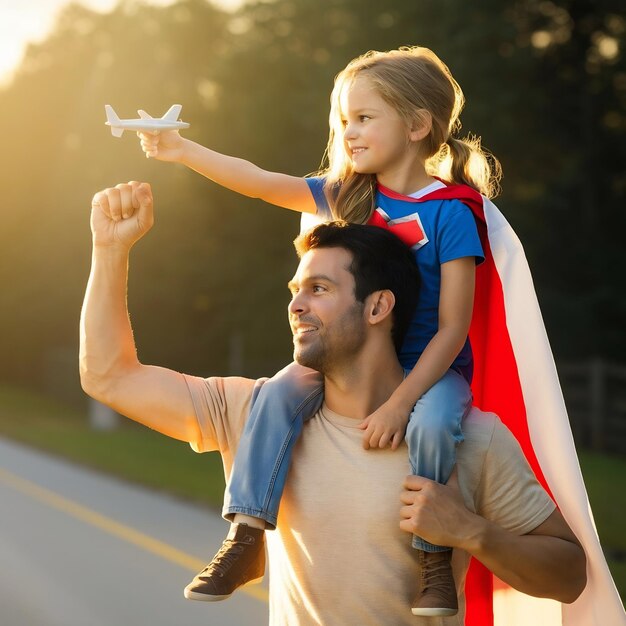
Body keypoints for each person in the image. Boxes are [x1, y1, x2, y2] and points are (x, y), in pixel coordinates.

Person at [79, 182, 586, 626]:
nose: (296, 305)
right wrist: (109, 248)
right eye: (296, 290)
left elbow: (568, 575)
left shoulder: (472, 436)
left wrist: (473, 532)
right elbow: (109, 376)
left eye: (318, 289)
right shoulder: (255, 416)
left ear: (378, 306)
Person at [137, 46, 490, 616]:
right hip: (347, 365)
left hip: (430, 372)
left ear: (419, 124)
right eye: (344, 119)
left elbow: (453, 328)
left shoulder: (452, 211)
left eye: (364, 118)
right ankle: (248, 534)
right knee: (275, 395)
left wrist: (402, 402)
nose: (348, 133)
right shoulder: (348, 195)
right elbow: (257, 181)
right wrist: (181, 151)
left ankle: (431, 563)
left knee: (434, 425)